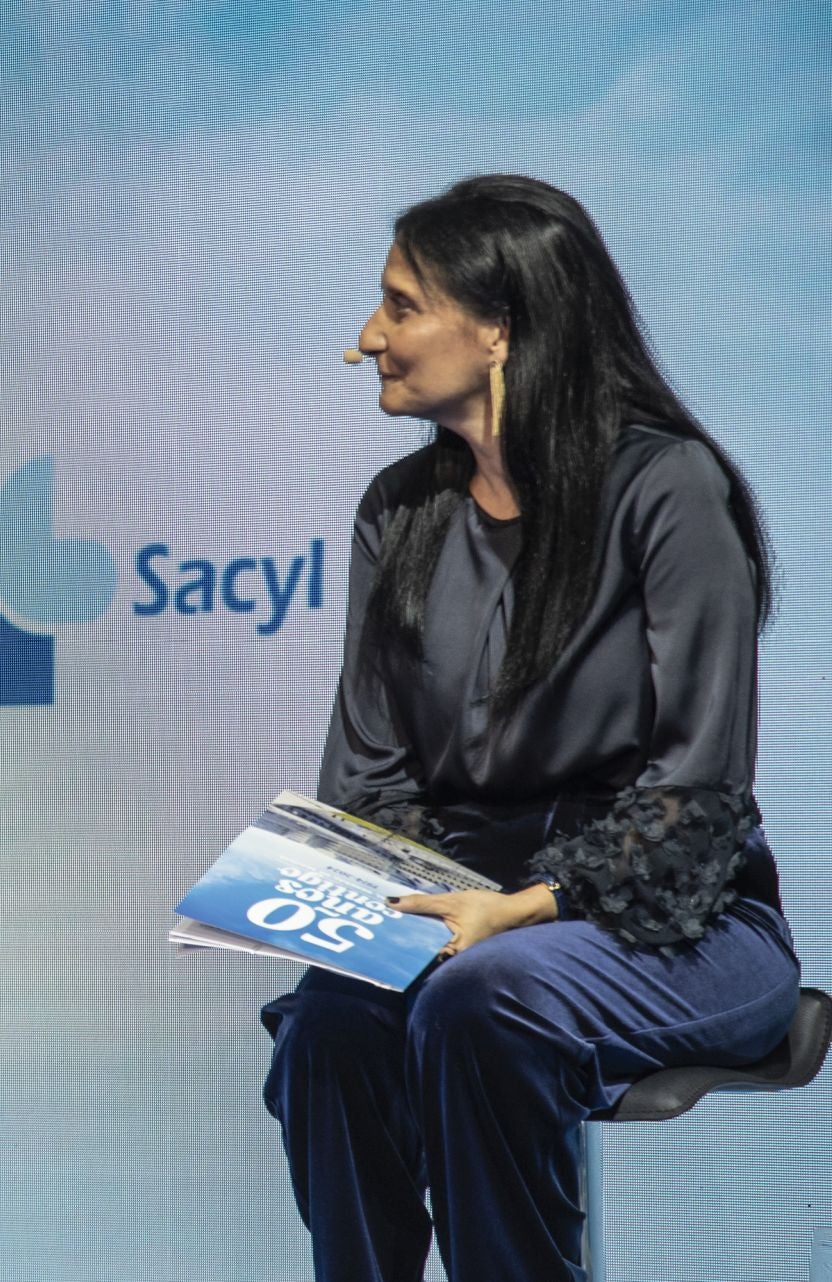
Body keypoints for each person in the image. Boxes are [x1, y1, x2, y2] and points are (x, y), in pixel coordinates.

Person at [261, 174, 799, 1282]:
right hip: (465, 905)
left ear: (499, 328)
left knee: (484, 997)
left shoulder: (668, 488)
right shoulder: (398, 512)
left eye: (401, 305)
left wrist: (527, 905)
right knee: (331, 1023)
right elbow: (367, 785)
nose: (368, 339)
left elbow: (697, 801)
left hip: (676, 922)